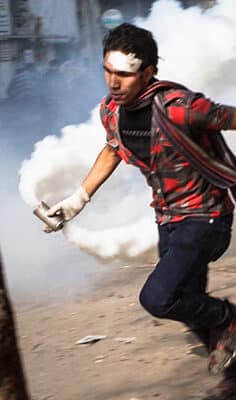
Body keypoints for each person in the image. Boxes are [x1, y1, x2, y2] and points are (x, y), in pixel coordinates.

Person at [46, 23, 236, 399]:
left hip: (205, 217)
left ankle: (230, 320)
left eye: (124, 74)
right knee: (187, 306)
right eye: (108, 71)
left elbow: (226, 117)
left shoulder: (180, 108)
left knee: (159, 298)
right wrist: (77, 199)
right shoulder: (111, 112)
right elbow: (114, 148)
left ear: (148, 73)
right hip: (167, 219)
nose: (113, 82)